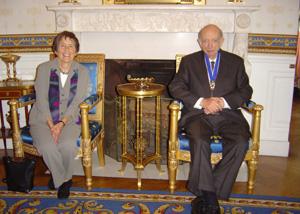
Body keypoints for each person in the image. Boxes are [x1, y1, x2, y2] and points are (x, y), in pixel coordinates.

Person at [168, 24, 253, 213]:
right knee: (199, 140)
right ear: (199, 42)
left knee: (240, 142)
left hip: (228, 115)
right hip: (198, 115)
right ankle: (211, 199)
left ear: (221, 41)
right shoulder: (189, 62)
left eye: (214, 40)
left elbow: (246, 90)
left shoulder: (235, 62)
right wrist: (202, 101)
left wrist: (223, 101)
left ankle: (207, 193)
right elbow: (175, 87)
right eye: (205, 40)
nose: (209, 44)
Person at [29, 31, 90, 199]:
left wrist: (61, 124)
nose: (66, 50)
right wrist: (51, 125)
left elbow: (78, 100)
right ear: (55, 49)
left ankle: (58, 178)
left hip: (69, 120)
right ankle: (63, 180)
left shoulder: (82, 72)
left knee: (68, 145)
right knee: (48, 147)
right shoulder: (43, 69)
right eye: (62, 45)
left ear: (76, 51)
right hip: (42, 119)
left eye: (71, 46)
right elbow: (41, 99)